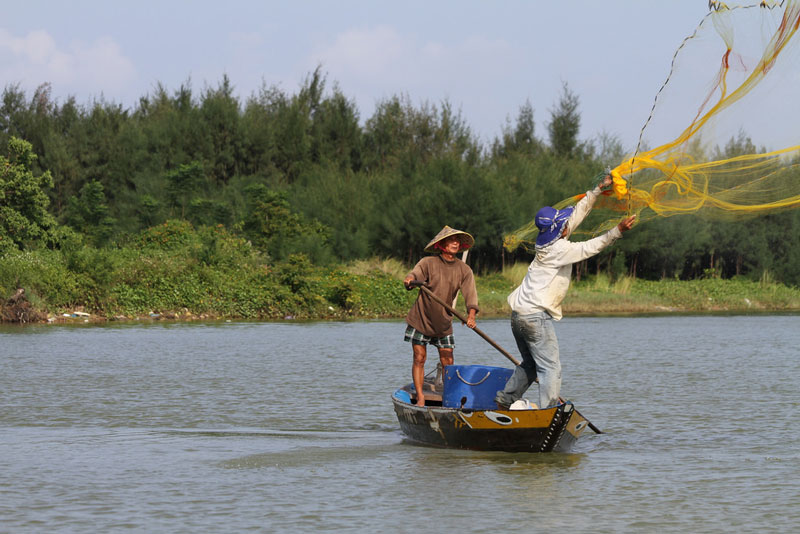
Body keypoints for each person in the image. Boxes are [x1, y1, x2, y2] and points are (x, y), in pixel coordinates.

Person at [495, 175, 636, 410]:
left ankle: (504, 400)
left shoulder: (546, 242)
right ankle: (548, 411)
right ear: (558, 230)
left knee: (530, 364)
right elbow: (591, 247)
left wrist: (597, 191)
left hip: (518, 314)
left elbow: (575, 216)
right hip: (534, 318)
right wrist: (617, 230)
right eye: (562, 224)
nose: (566, 225)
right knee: (550, 367)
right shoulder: (558, 249)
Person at [403, 226, 479, 407]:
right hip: (421, 318)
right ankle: (421, 396)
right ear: (441, 244)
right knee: (419, 358)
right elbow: (414, 275)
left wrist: (471, 315)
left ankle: (449, 395)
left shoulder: (464, 269)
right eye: (451, 240)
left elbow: (471, 294)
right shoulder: (428, 262)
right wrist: (409, 280)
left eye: (457, 241)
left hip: (444, 322)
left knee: (448, 360)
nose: (455, 243)